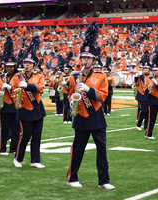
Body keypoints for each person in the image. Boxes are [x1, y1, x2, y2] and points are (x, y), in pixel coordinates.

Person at [66, 22, 114, 190]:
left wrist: (88, 89)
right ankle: (71, 178)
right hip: (80, 116)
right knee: (78, 149)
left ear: (94, 60)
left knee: (101, 150)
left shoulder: (101, 77)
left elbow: (103, 96)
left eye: (88, 58)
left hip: (96, 117)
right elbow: (70, 94)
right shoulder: (73, 77)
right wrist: (72, 100)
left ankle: (104, 181)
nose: (85, 60)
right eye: (83, 57)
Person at [12, 36, 47, 168]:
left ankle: (35, 160)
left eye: (29, 63)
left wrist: (28, 86)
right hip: (23, 109)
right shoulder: (17, 77)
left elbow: (40, 89)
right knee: (25, 135)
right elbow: (14, 92)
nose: (26, 65)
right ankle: (18, 158)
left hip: (37, 108)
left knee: (37, 136)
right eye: (25, 62)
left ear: (34, 65)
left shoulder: (39, 76)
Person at [0, 36, 20, 155]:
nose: (9, 68)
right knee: (3, 129)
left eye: (11, 66)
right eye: (7, 66)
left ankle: (13, 149)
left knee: (16, 130)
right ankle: (1, 149)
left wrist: (11, 88)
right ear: (4, 66)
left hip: (16, 105)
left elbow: (20, 90)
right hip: (3, 106)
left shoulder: (19, 76)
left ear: (14, 67)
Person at [143, 50, 158, 140]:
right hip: (152, 99)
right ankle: (148, 134)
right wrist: (148, 88)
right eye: (153, 70)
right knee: (151, 118)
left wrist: (156, 82)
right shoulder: (148, 79)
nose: (154, 72)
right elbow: (144, 90)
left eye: (156, 70)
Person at [135, 51, 151, 131]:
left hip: (148, 95)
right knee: (144, 110)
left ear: (149, 69)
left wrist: (140, 75)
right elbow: (137, 84)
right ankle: (138, 123)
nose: (145, 69)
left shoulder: (150, 76)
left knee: (148, 112)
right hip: (141, 94)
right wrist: (136, 77)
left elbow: (145, 81)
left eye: (147, 68)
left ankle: (146, 127)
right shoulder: (141, 75)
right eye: (144, 68)